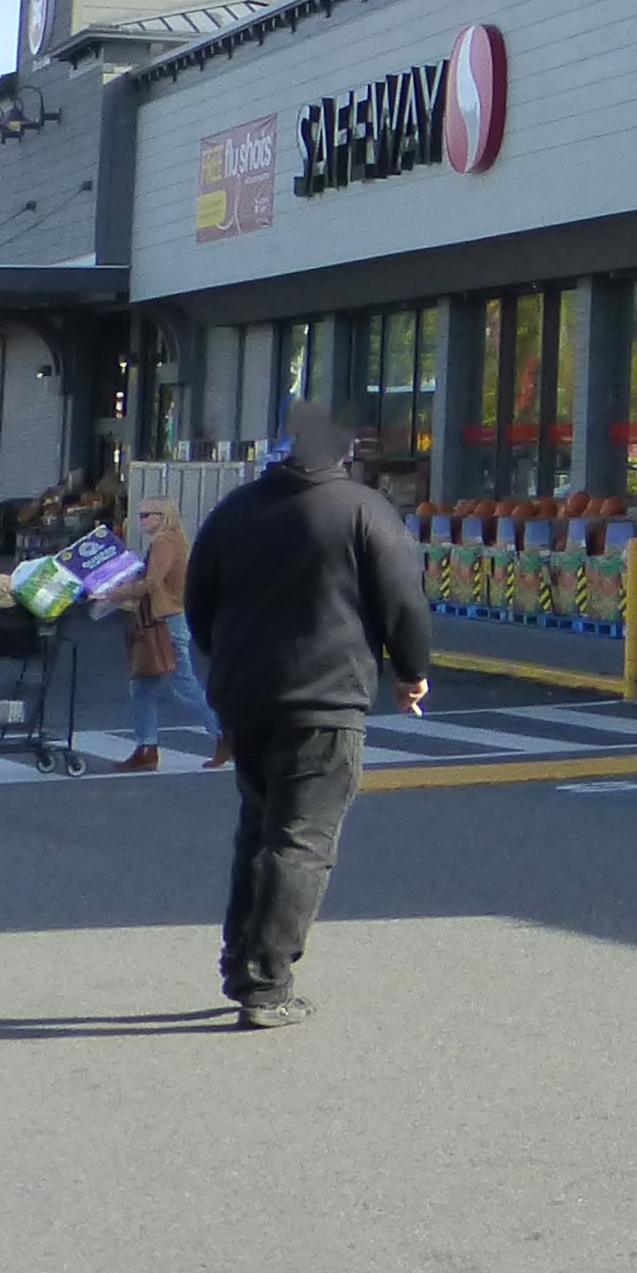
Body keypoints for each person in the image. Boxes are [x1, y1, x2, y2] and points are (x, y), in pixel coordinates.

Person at [183, 401, 431, 1031]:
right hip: (326, 695)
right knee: (301, 838)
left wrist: (225, 669)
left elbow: (197, 603)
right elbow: (404, 599)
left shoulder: (234, 511)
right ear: (343, 451)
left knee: (258, 830)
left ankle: (241, 960)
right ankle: (266, 983)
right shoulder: (364, 511)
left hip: (246, 696)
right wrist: (410, 671)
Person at [120, 498, 224, 773]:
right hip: (162, 620)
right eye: (140, 515)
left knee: (184, 686)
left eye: (147, 515)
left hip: (165, 622)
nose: (141, 520)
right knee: (142, 685)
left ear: (162, 516)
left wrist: (113, 593)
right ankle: (146, 748)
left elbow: (152, 582)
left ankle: (224, 734)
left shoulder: (164, 541)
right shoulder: (169, 540)